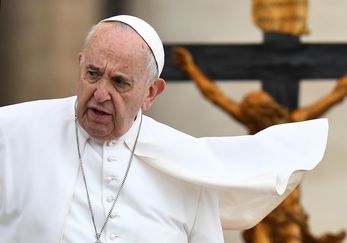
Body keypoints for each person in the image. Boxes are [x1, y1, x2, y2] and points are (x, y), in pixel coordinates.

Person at [0, 15, 328, 243]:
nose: (100, 94)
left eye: (119, 82)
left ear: (151, 93)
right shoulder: (13, 133)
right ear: (80, 63)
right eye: (92, 74)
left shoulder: (186, 167)